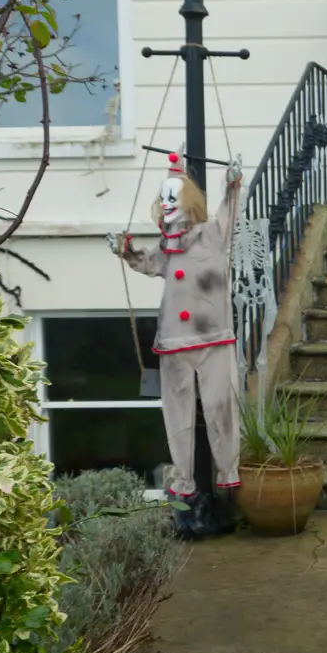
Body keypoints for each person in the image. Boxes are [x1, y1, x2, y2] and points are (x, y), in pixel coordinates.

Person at [106, 154, 243, 500]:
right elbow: (147, 262)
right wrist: (126, 251)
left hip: (213, 336)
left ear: (187, 201)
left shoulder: (212, 233)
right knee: (177, 413)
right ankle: (185, 479)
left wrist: (232, 183)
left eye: (173, 197)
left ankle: (227, 470)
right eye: (164, 197)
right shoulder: (166, 245)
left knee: (220, 405)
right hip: (174, 340)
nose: (167, 203)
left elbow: (229, 211)